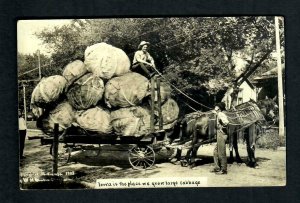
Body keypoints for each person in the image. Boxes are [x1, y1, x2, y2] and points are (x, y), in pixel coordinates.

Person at [210, 102, 229, 175]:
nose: (215, 107)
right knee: (215, 152)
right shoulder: (218, 114)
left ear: (219, 108)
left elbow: (226, 122)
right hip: (219, 134)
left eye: (216, 106)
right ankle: (217, 167)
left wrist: (221, 128)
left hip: (221, 134)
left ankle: (224, 169)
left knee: (221, 152)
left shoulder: (221, 114)